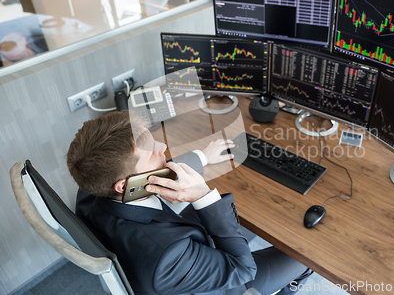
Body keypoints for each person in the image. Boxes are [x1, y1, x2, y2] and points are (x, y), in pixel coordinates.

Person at [67, 111, 312, 295]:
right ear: (125, 185)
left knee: (249, 209)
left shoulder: (91, 189)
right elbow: (243, 270)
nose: (162, 147)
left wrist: (202, 156)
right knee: (305, 257)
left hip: (168, 248)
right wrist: (203, 197)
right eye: (152, 150)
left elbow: (139, 169)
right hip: (224, 280)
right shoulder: (169, 259)